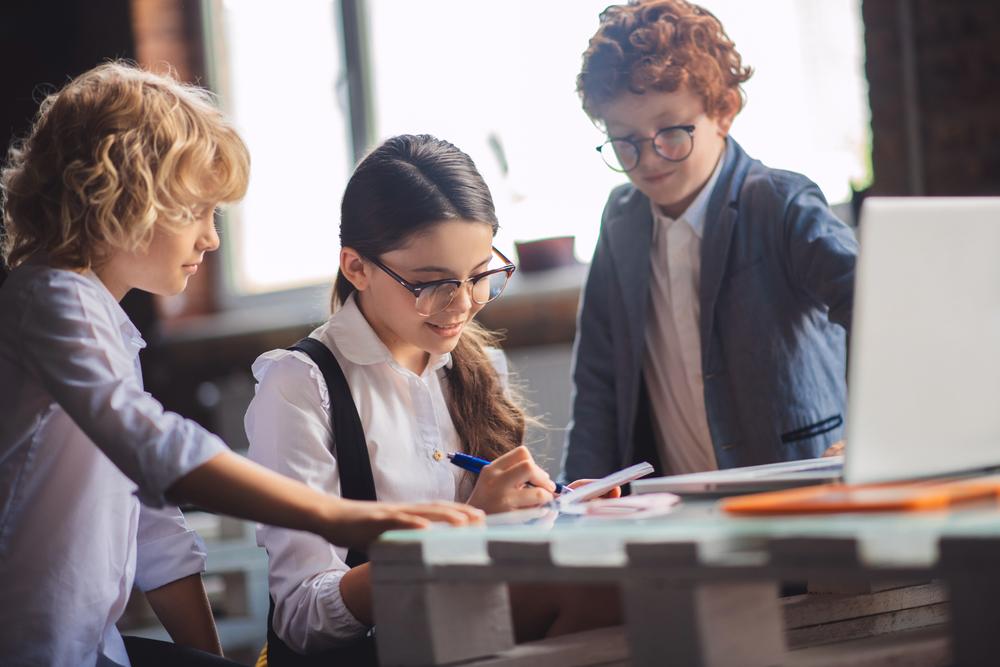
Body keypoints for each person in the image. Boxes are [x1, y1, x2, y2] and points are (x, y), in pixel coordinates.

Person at [0, 63, 480, 667]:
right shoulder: (48, 299)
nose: (211, 238)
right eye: (195, 210)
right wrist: (351, 517)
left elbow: (156, 530)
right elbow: (162, 452)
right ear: (119, 197)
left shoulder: (106, 325)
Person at [246, 134, 620, 664]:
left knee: (623, 586)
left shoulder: (480, 367)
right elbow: (303, 620)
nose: (463, 305)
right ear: (356, 268)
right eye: (433, 283)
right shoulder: (299, 384)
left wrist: (556, 513)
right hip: (379, 650)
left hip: (471, 629)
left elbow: (500, 556)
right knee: (598, 598)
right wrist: (462, 533)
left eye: (479, 276)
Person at [563, 0, 857, 482]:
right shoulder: (620, 222)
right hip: (677, 504)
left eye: (671, 132)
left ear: (723, 110)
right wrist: (578, 499)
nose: (649, 158)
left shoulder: (780, 203)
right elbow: (598, 378)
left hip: (796, 486)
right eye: (624, 141)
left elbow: (874, 306)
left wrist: (869, 430)